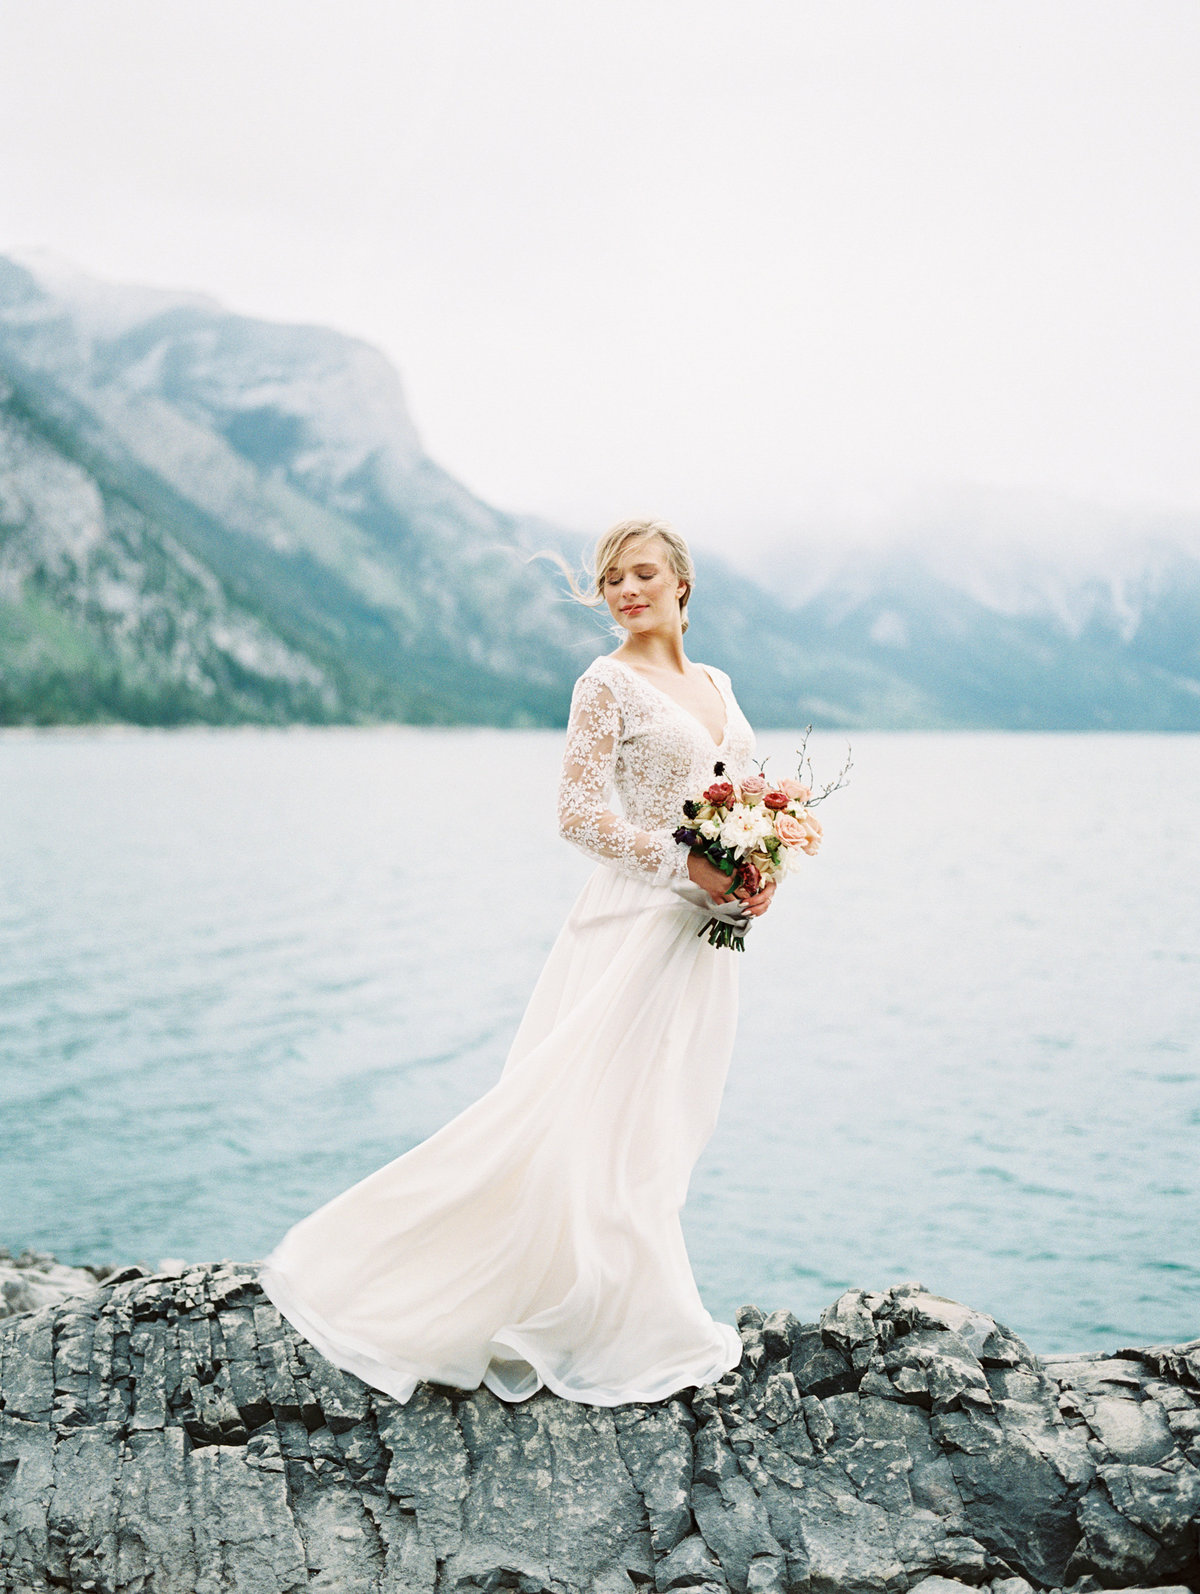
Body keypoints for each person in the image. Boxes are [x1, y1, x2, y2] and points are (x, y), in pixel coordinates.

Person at [258, 516, 776, 1406]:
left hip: (704, 939)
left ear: (682, 583)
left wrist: (758, 871)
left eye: (644, 573)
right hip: (632, 928)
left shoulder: (718, 683)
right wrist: (686, 865)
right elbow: (578, 815)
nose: (627, 590)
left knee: (665, 1124)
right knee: (580, 1122)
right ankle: (412, 1278)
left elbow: (745, 794)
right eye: (613, 578)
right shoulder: (604, 683)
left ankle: (621, 1303)